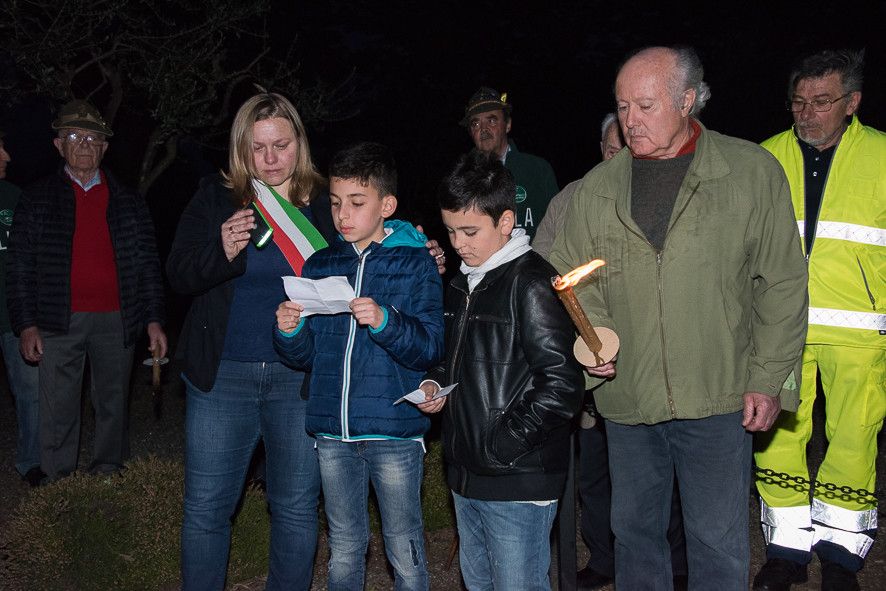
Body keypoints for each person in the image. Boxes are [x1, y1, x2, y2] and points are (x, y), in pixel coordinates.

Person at [549, 46, 809, 589]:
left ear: (688, 100)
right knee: (635, 536)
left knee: (716, 540)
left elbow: (782, 283)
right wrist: (597, 341)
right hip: (629, 397)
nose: (630, 121)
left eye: (645, 106)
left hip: (719, 396)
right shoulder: (598, 189)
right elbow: (575, 275)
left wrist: (769, 378)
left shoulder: (748, 172)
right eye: (623, 107)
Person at [273, 141, 444, 590]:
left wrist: (386, 321)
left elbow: (430, 347)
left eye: (356, 202)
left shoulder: (415, 264)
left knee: (404, 547)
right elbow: (308, 357)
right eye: (335, 203)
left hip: (394, 430)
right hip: (333, 432)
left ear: (386, 205)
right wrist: (290, 331)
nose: (342, 214)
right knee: (345, 546)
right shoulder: (320, 265)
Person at [535, 113, 687, 590]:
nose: (618, 156)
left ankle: (677, 563)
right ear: (600, 150)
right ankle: (603, 557)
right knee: (596, 471)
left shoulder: (662, 193)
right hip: (589, 357)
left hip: (653, 358)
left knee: (664, 469)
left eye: (626, 147)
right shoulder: (573, 198)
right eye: (610, 148)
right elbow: (545, 266)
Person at [420, 150, 584, 590]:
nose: (458, 243)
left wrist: (503, 444)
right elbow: (453, 359)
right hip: (466, 474)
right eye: (450, 230)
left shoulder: (532, 282)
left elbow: (562, 384)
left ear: (506, 221)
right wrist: (435, 382)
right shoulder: (461, 282)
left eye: (470, 231)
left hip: (516, 478)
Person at [752, 49, 885, 591]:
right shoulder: (764, 157)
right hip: (781, 327)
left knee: (854, 439)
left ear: (852, 103)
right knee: (777, 436)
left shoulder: (881, 155)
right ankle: (785, 552)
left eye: (822, 102)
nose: (807, 113)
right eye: (799, 102)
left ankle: (840, 558)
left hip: (860, 330)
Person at [7, 100, 167, 482]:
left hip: (118, 318)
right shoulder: (37, 198)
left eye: (92, 138)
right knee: (58, 406)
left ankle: (108, 472)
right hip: (58, 319)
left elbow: (148, 264)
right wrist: (26, 324)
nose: (84, 144)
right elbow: (19, 267)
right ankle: (59, 481)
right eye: (74, 136)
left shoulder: (128, 200)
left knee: (113, 401)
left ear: (104, 148)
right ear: (58, 145)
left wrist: (154, 319)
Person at [0, 131, 42, 486]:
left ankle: (32, 463)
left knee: (31, 390)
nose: (7, 157)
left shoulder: (15, 198)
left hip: (10, 316)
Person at [461, 87, 558, 240]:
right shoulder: (463, 177)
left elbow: (558, 225)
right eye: (476, 124)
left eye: (492, 120)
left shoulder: (537, 169)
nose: (484, 129)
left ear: (508, 125)